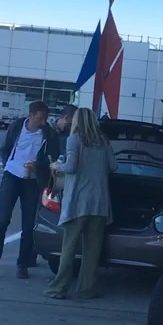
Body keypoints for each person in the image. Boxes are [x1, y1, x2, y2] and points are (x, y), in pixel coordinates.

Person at [45, 108, 117, 299]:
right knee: (92, 250)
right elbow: (114, 166)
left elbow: (70, 167)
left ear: (77, 121)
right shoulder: (103, 140)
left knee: (69, 247)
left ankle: (58, 288)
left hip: (77, 203)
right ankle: (86, 289)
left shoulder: (74, 139)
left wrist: (56, 166)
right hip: (99, 203)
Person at [0, 100, 61, 279]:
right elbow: (5, 148)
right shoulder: (17, 126)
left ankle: (23, 264)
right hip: (12, 174)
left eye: (45, 118)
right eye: (40, 118)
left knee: (28, 224)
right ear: (31, 115)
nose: (43, 122)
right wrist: (7, 164)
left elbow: (53, 158)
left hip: (32, 181)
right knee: (2, 219)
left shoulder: (49, 134)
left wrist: (38, 165)